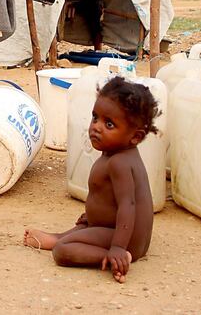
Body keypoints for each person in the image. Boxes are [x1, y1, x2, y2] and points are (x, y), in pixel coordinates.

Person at [23, 76, 158, 283]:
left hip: (126, 240)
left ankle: (113, 258)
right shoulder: (115, 152)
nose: (97, 127)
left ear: (135, 137)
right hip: (114, 229)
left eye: (109, 124)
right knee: (81, 229)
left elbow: (128, 206)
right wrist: (92, 215)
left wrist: (118, 248)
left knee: (63, 251)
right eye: (95, 118)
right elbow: (109, 197)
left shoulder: (120, 163)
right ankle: (58, 237)